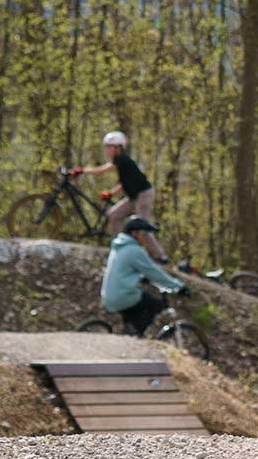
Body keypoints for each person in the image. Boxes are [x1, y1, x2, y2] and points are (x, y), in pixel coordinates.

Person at [76, 130, 166, 261]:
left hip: (144, 195)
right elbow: (125, 183)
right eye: (106, 147)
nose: (107, 150)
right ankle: (119, 247)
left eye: (109, 147)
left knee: (141, 226)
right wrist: (111, 193)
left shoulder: (122, 160)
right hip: (134, 196)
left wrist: (82, 171)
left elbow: (103, 170)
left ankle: (160, 256)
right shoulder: (123, 163)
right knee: (114, 215)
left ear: (118, 148)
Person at [99, 217, 186, 336]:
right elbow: (154, 272)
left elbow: (125, 270)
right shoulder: (134, 250)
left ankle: (130, 335)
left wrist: (140, 277)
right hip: (123, 296)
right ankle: (136, 338)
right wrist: (179, 286)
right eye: (144, 233)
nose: (146, 237)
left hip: (109, 296)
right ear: (134, 233)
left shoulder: (119, 247)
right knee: (155, 305)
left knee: (134, 315)